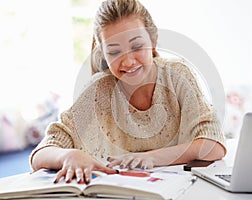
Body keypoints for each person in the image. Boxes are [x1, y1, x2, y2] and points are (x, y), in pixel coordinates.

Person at [30, 0, 226, 184]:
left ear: (153, 40)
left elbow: (214, 145)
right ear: (103, 53)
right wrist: (68, 155)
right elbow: (40, 155)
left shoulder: (177, 75)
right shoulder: (99, 90)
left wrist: (150, 157)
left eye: (137, 46)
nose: (128, 62)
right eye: (114, 52)